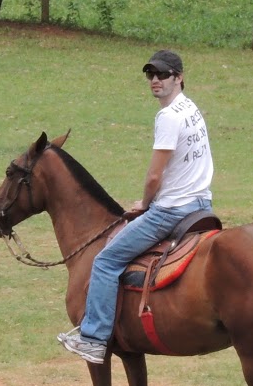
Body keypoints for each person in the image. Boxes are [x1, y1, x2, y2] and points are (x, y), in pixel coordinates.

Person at [58, 50, 214, 364]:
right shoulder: (190, 107)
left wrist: (145, 204)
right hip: (202, 202)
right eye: (151, 75)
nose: (155, 80)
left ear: (179, 77)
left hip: (173, 209)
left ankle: (94, 337)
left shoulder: (168, 117)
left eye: (163, 75)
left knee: (105, 261)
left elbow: (155, 174)